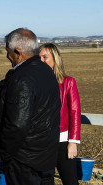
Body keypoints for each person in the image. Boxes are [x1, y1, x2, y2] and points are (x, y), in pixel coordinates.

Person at [0, 28, 61, 185]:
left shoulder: (21, 79)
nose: (7, 56)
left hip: (24, 161)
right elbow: (16, 94)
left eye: (8, 51)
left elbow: (16, 126)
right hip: (46, 156)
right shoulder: (46, 72)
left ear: (18, 52)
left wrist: (3, 154)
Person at [39, 43, 81, 185]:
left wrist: (73, 142)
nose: (42, 61)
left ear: (55, 59)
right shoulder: (36, 83)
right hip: (42, 143)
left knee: (70, 181)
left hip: (62, 142)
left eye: (45, 57)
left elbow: (75, 112)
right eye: (39, 58)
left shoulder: (68, 82)